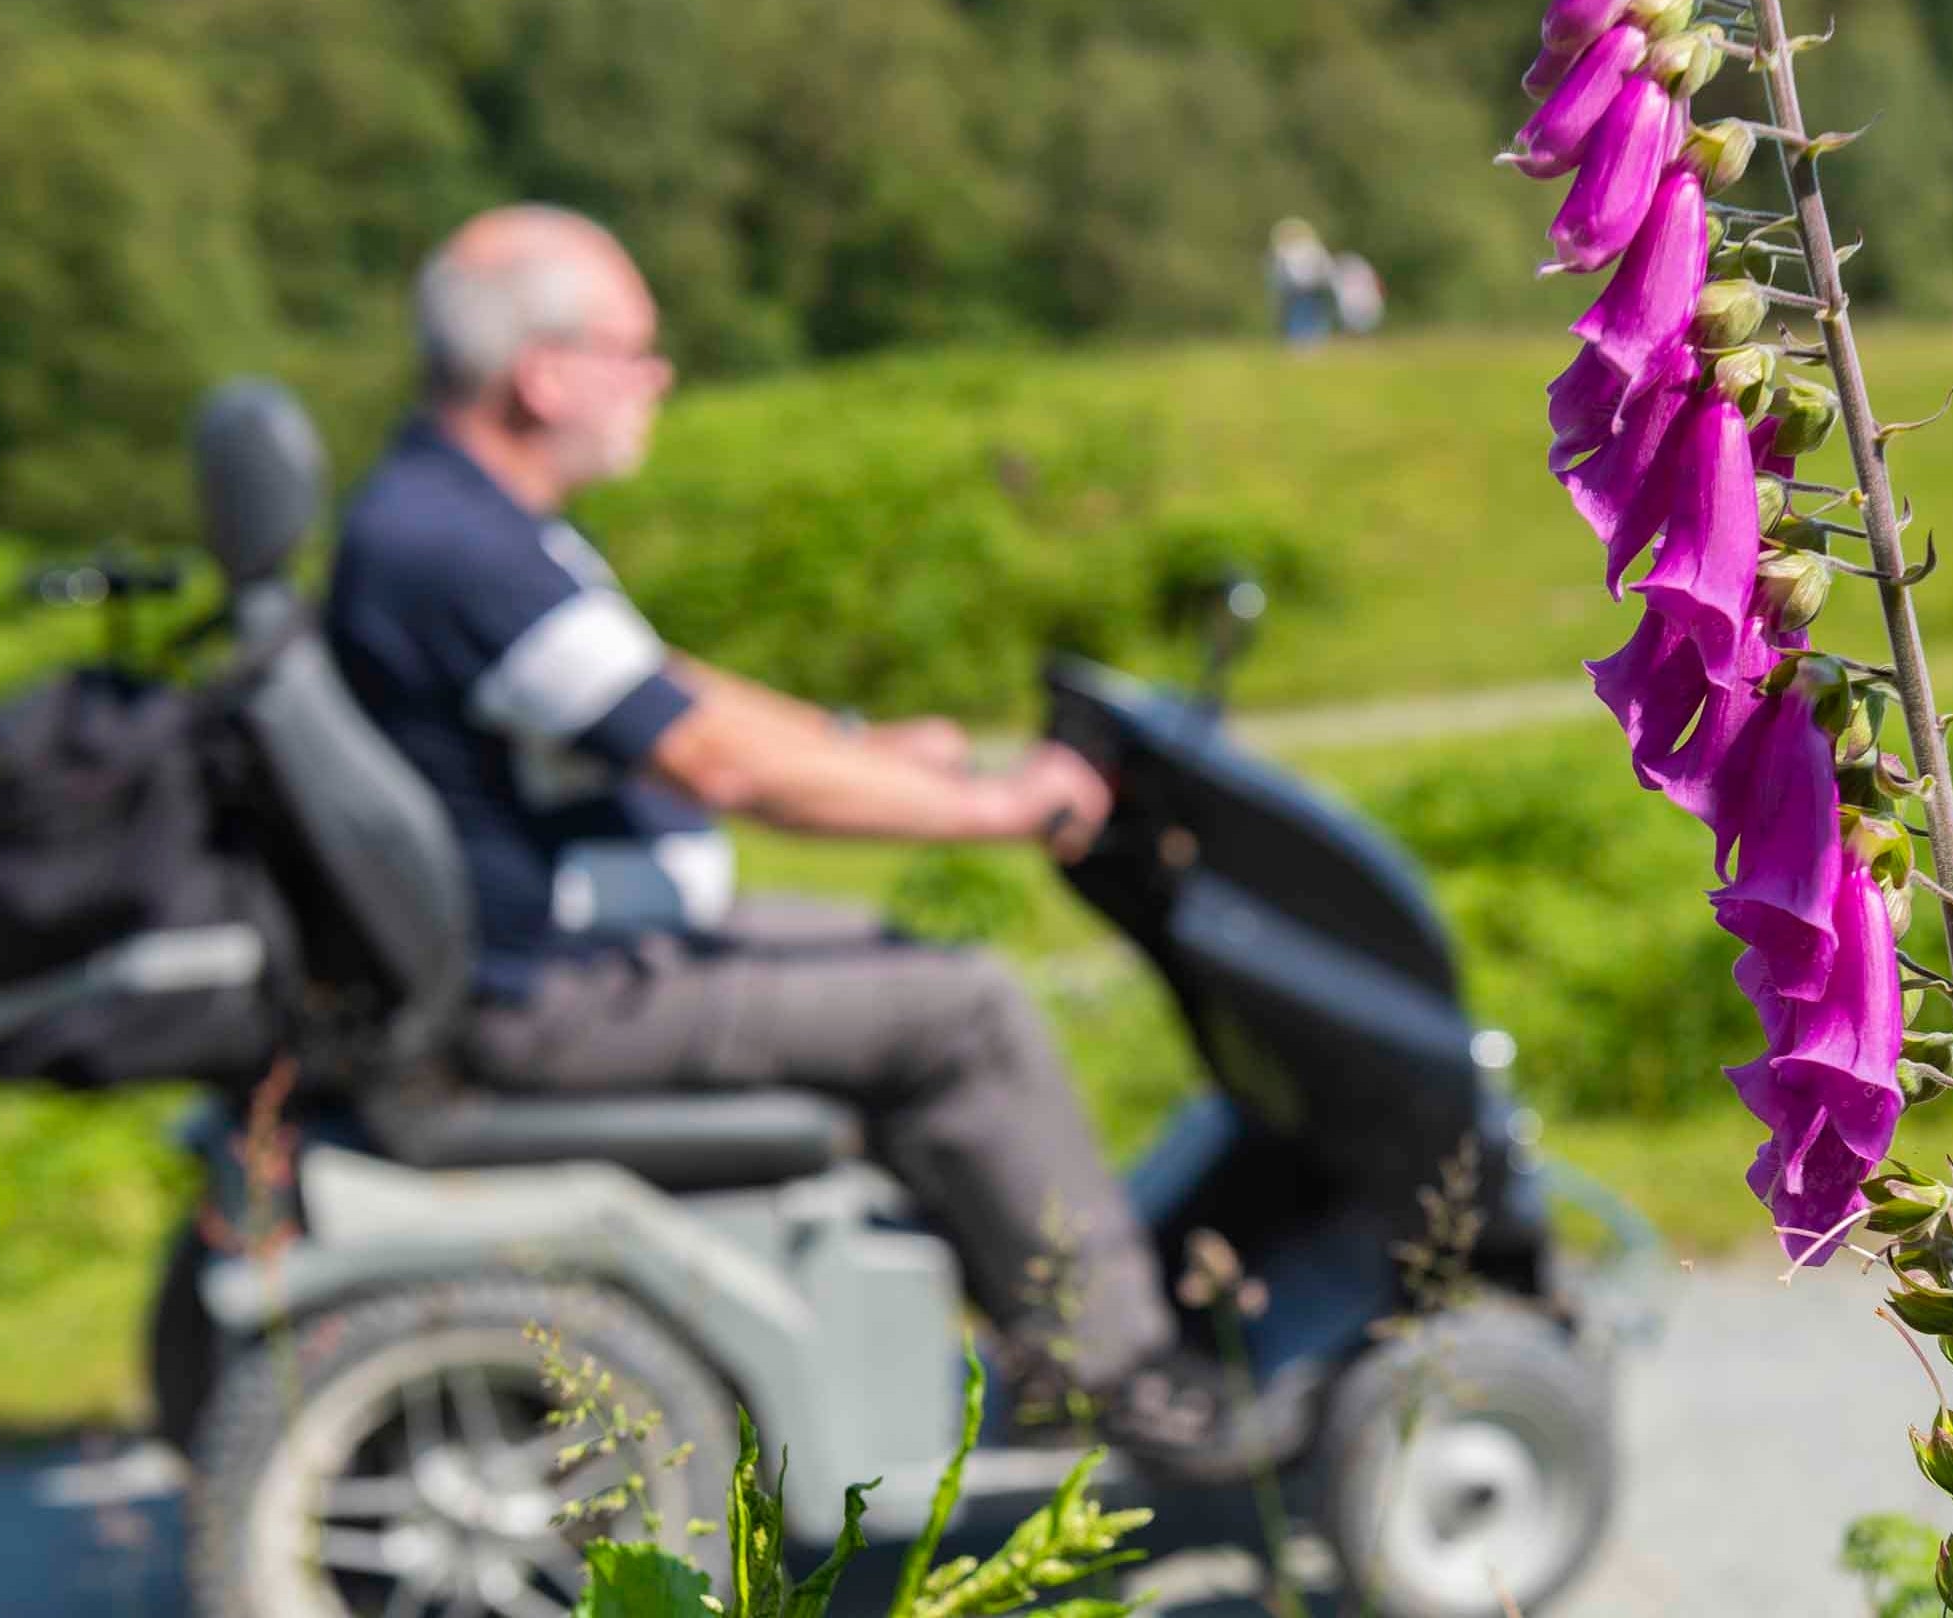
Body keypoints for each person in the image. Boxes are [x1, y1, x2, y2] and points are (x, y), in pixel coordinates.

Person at [325, 205, 1265, 1476]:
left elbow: (664, 686)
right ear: (544, 374)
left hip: (560, 957)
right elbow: (712, 762)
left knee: (892, 962)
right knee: (967, 1008)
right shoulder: (459, 548)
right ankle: (1129, 1382)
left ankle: (1037, 1332)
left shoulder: (450, 512)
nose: (657, 377)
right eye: (636, 348)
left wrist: (863, 745)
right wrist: (994, 807)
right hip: (547, 995)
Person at [1264, 218, 1337, 349]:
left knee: (1304, 315)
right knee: (1305, 315)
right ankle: (1306, 344)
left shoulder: (1289, 250)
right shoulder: (1310, 248)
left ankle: (1305, 344)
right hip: (1304, 289)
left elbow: (1279, 273)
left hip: (1305, 289)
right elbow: (1327, 268)